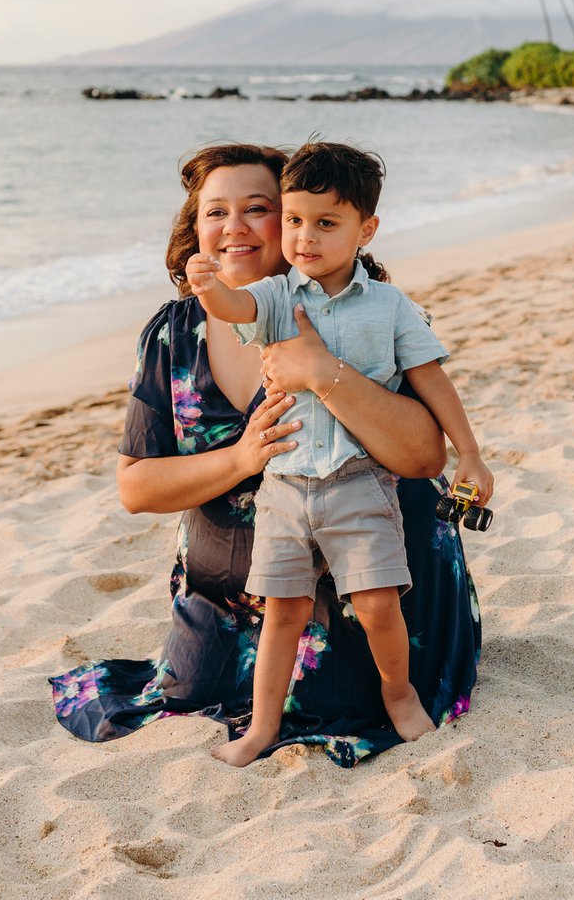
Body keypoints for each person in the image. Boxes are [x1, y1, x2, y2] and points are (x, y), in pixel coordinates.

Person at [49, 142, 481, 768]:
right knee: (191, 688)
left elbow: (422, 459)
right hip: (232, 592)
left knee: (342, 696)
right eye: (215, 212)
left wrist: (325, 373)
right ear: (195, 229)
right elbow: (137, 488)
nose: (235, 228)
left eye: (259, 208)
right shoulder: (174, 333)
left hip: (370, 575)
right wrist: (243, 457)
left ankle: (396, 685)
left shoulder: (372, 312)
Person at [185, 140, 493, 765]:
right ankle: (262, 726)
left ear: (366, 229)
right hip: (287, 485)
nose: (304, 238)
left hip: (359, 481)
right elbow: (235, 306)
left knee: (379, 602)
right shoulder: (275, 297)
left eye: (326, 224)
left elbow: (432, 379)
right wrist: (208, 285)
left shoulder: (390, 306)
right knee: (283, 611)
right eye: (294, 221)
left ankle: (400, 696)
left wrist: (471, 455)